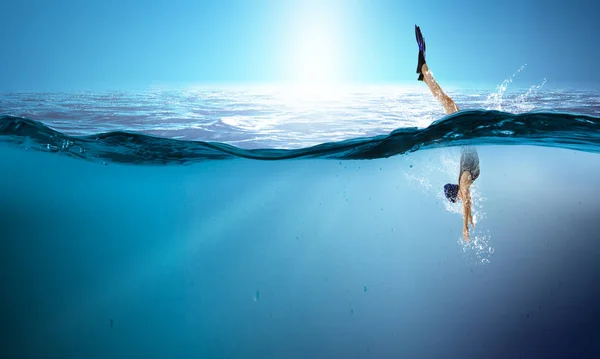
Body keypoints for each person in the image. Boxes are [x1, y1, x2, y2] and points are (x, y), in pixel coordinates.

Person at [415, 25, 480, 242]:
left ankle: (424, 72)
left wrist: (465, 227)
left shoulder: (463, 182)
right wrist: (469, 218)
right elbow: (468, 201)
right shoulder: (464, 184)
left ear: (458, 194)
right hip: (466, 135)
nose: (462, 199)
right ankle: (424, 73)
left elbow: (468, 199)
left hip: (464, 133)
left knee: (446, 101)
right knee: (445, 100)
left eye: (460, 198)